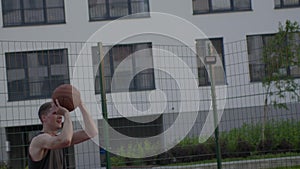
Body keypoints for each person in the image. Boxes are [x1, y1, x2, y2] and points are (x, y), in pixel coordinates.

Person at [28, 96, 98, 169]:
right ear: (44, 118)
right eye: (55, 113)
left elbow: (92, 132)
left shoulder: (58, 138)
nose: (60, 116)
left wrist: (81, 104)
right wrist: (66, 113)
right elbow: (66, 140)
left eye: (60, 113)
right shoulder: (39, 140)